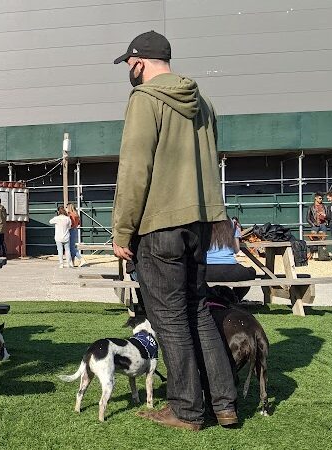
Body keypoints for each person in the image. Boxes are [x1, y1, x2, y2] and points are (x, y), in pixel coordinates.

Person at [111, 30, 238, 430]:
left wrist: (121, 231)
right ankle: (225, 404)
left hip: (160, 226)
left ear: (139, 62)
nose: (128, 71)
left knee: (169, 320)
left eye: (129, 64)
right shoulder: (204, 104)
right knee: (197, 311)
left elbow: (134, 170)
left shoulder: (144, 100)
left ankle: (186, 409)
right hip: (200, 224)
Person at [206, 218, 256, 301]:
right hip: (229, 268)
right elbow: (237, 250)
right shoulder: (232, 224)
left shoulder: (204, 225)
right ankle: (235, 298)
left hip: (207, 269)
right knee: (251, 272)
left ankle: (210, 298)